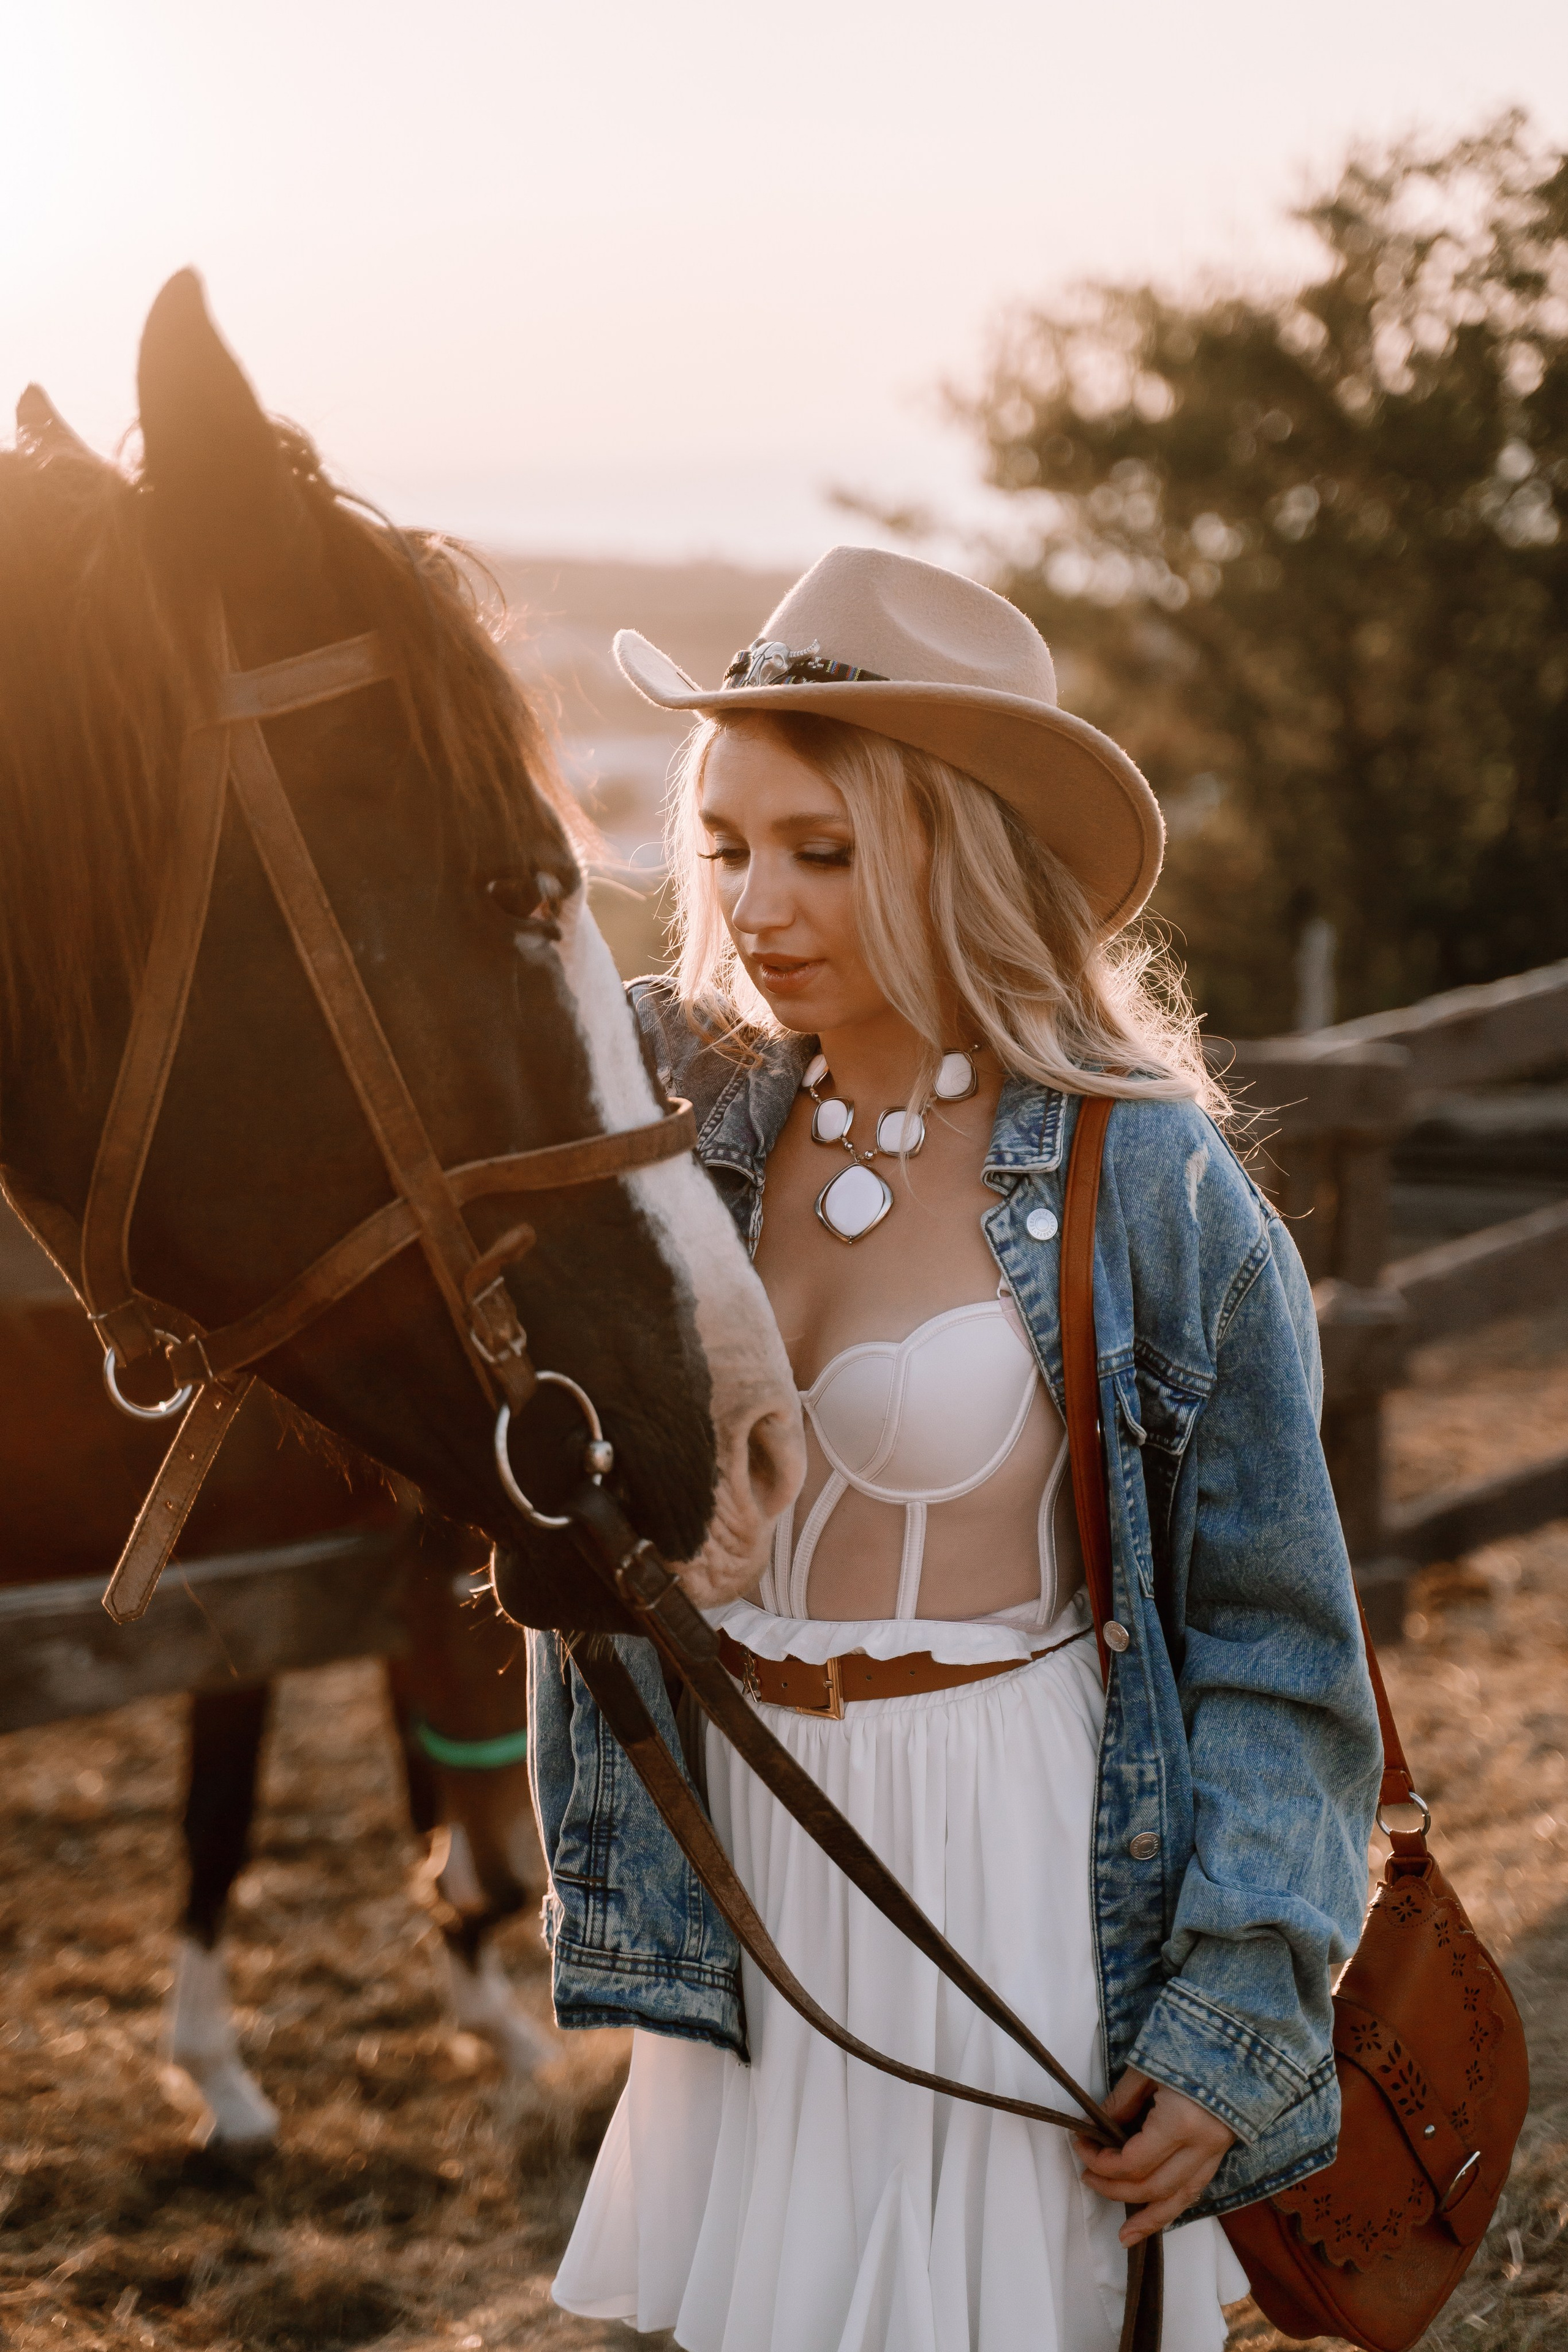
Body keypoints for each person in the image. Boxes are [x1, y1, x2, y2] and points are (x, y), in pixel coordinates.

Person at [526, 546, 1382, 2352]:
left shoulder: (1146, 1183)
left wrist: (1236, 2010)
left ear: (959, 854)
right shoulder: (673, 1148)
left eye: (821, 851)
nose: (755, 903)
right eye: (728, 845)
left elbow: (1281, 1651)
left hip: (1016, 1849)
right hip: (755, 1847)